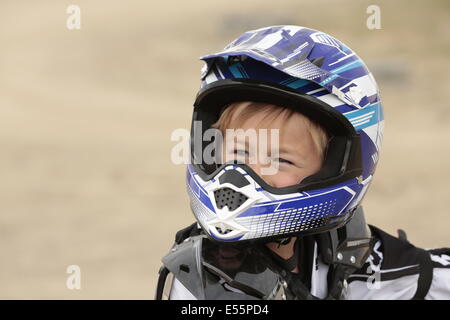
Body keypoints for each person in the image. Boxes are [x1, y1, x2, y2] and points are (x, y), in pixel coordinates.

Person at [155, 25, 450, 300]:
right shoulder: (207, 281)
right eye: (239, 154)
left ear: (335, 167)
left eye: (280, 159)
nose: (249, 173)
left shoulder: (361, 260)